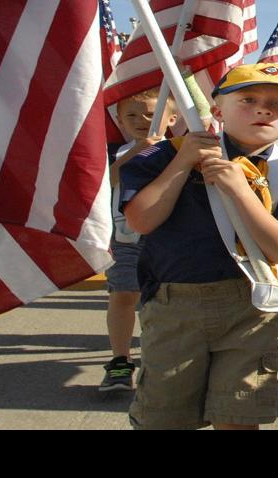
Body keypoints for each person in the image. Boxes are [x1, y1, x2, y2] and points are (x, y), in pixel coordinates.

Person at [120, 63, 278, 430]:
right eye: (248, 99)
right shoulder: (164, 156)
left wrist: (240, 190)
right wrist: (184, 161)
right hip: (175, 304)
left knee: (239, 416)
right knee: (165, 417)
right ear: (217, 111)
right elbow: (141, 220)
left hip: (252, 308)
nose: (264, 109)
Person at [100, 89, 180, 392]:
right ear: (119, 121)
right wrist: (137, 152)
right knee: (122, 294)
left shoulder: (178, 149)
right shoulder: (116, 153)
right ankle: (120, 360)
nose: (141, 120)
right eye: (131, 115)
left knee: (165, 301)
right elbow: (104, 183)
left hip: (168, 240)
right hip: (125, 238)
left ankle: (163, 359)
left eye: (150, 114)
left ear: (171, 118)